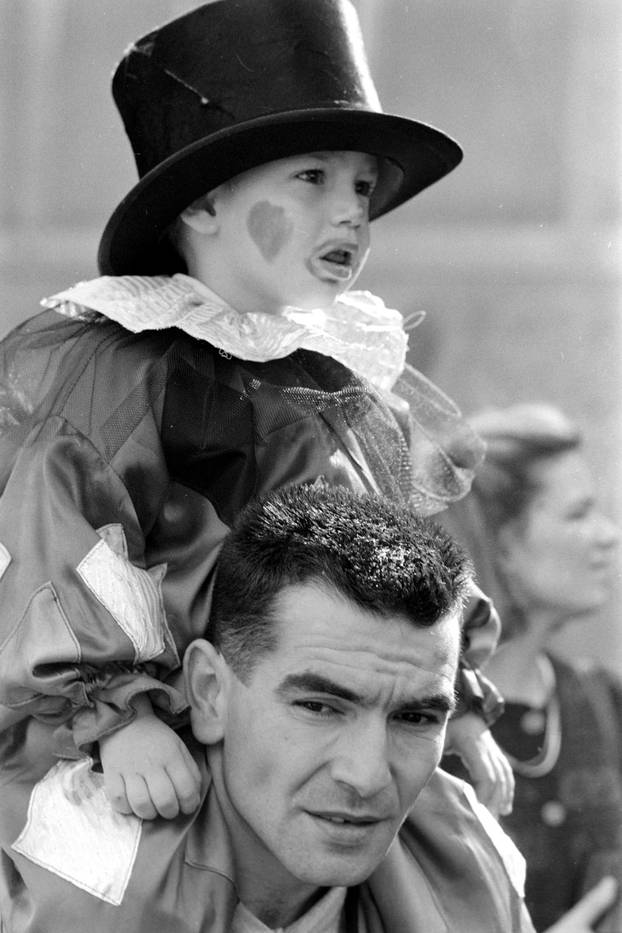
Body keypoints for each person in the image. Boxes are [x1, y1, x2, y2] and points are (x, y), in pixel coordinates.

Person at [0, 0, 510, 881]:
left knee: (462, 879)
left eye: (361, 186)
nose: (349, 212)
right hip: (162, 745)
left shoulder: (350, 385)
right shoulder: (117, 366)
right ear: (203, 202)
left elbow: (403, 560)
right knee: (119, 891)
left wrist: (448, 699)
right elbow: (66, 534)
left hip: (333, 734)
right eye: (312, 179)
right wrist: (120, 715)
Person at [2, 483, 534, 932]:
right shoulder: (42, 888)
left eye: (416, 718)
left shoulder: (476, 873)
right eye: (320, 707)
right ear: (210, 692)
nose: (368, 776)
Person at [442, 403, 622, 933]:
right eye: (577, 514)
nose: (608, 534)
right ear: (503, 547)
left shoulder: (606, 700)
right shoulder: (428, 723)